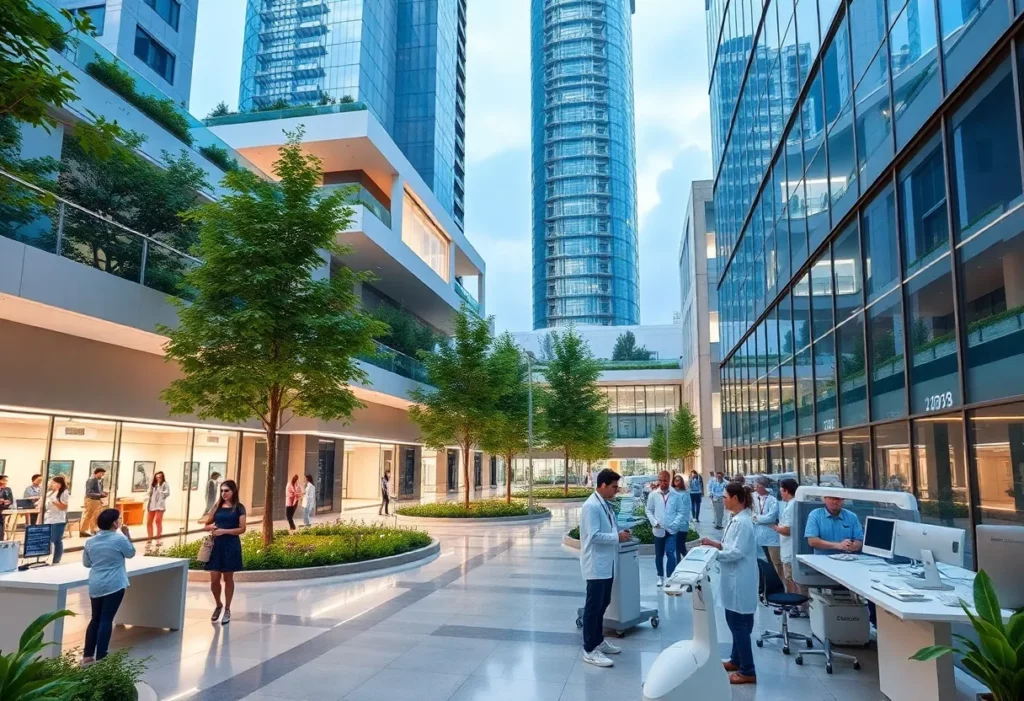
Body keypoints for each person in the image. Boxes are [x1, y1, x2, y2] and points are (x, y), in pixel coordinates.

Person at [700, 483, 758, 685]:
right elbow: (731, 546)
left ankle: (747, 670)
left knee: (738, 624)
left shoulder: (742, 523)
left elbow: (736, 553)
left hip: (739, 581)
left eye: (725, 496)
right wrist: (715, 544)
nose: (722, 499)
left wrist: (712, 554)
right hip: (736, 579)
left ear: (736, 498)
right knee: (737, 623)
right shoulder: (737, 520)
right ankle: (736, 660)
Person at [579, 468, 631, 668]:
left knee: (603, 603)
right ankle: (589, 649)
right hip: (596, 564)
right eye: (614, 487)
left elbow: (607, 529)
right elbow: (593, 536)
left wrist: (618, 532)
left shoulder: (605, 505)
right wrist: (616, 537)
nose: (616, 490)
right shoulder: (591, 506)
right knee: (593, 607)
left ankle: (598, 640)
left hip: (607, 564)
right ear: (602, 485)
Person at [805, 495, 877, 627]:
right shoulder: (815, 515)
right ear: (824, 499)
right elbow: (812, 541)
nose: (834, 501)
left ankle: (873, 623)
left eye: (838, 499)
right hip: (823, 564)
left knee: (873, 585)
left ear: (843, 500)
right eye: (831, 498)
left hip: (848, 562)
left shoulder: (851, 517)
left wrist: (851, 546)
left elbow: (859, 541)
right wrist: (838, 545)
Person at [82, 508, 136, 663]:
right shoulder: (119, 539)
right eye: (119, 519)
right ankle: (101, 656)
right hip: (115, 583)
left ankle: (87, 655)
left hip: (96, 584)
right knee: (106, 619)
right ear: (114, 523)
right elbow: (131, 553)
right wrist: (126, 535)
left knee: (95, 618)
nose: (120, 521)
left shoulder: (90, 541)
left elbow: (86, 563)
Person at [201, 479, 246, 625]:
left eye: (226, 490)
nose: (223, 493)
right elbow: (206, 524)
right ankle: (218, 604)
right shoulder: (217, 506)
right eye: (222, 490)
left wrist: (224, 531)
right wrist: (211, 528)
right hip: (216, 545)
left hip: (231, 544)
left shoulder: (239, 508)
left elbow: (242, 528)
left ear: (233, 491)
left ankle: (227, 608)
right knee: (214, 579)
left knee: (228, 578)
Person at [772, 478, 807, 616]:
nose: (780, 493)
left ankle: (795, 606)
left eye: (781, 490)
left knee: (790, 578)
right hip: (790, 548)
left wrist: (776, 527)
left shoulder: (791, 506)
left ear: (786, 491)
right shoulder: (793, 504)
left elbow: (788, 530)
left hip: (790, 549)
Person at [645, 471, 685, 586]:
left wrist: (675, 523)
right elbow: (648, 510)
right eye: (660, 480)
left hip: (672, 530)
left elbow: (681, 511)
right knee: (659, 554)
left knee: (670, 552)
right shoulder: (653, 495)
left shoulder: (676, 495)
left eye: (665, 480)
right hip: (658, 530)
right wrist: (654, 522)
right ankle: (660, 576)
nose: (662, 482)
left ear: (669, 480)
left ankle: (670, 577)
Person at [752, 476, 782, 578]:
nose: (755, 488)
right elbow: (750, 514)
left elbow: (771, 517)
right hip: (758, 535)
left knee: (775, 562)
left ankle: (780, 582)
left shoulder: (772, 500)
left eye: (757, 486)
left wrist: (756, 519)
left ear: (763, 486)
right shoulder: (753, 497)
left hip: (771, 536)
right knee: (763, 562)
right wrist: (758, 518)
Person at [45, 476, 70, 563]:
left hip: (58, 519)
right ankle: (48, 558)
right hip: (48, 518)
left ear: (59, 484)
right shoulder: (50, 493)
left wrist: (55, 502)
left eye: (54, 482)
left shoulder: (64, 492)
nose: (52, 484)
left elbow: (63, 507)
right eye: (52, 482)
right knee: (48, 539)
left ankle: (56, 559)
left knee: (56, 539)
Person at [81, 467, 108, 537]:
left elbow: (96, 491)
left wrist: (102, 493)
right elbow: (88, 492)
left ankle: (93, 530)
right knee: (89, 515)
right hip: (91, 500)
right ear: (98, 473)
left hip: (95, 500)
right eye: (102, 474)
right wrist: (100, 494)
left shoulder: (96, 480)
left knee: (95, 516)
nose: (102, 475)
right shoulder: (92, 480)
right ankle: (83, 531)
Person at [145, 471, 170, 541]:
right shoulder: (153, 485)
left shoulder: (165, 484)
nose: (158, 478)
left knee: (158, 521)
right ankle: (149, 538)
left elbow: (167, 493)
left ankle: (158, 537)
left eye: (160, 477)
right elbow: (149, 493)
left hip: (160, 505)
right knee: (149, 522)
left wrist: (159, 488)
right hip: (152, 505)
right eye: (157, 476)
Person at [670, 474, 689, 562]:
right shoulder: (670, 492)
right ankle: (677, 565)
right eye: (675, 480)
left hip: (682, 524)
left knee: (681, 546)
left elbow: (685, 509)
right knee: (676, 547)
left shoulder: (685, 494)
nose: (677, 482)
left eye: (679, 480)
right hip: (672, 523)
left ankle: (689, 562)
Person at [0, 476, 12, 540]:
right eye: (4, 480)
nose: (5, 482)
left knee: (1, 524)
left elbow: (10, 501)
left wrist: (3, 502)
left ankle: (1, 540)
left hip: (2, 510)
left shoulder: (7, 490)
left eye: (6, 481)